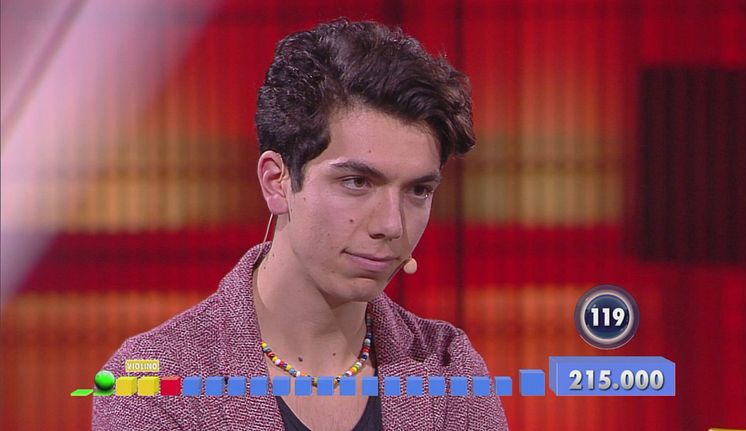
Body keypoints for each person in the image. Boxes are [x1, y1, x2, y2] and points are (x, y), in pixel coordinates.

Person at [93, 18, 508, 431]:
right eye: (357, 182)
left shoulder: (449, 371)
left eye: (418, 190)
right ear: (277, 182)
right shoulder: (152, 384)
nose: (391, 225)